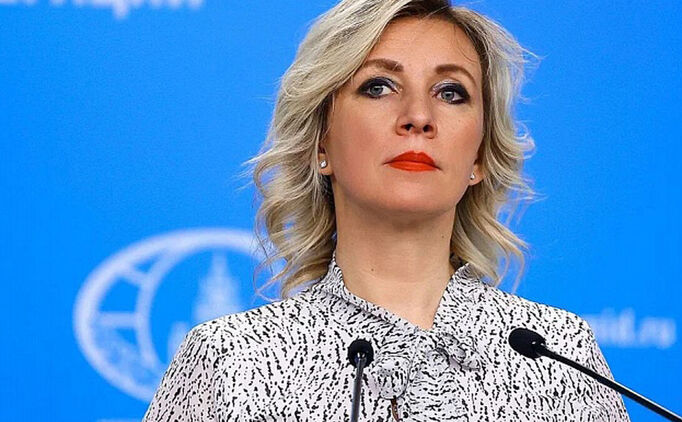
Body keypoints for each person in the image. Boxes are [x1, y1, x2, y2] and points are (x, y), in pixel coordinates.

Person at [143, 0, 630, 420]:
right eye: (379, 86)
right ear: (320, 142)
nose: (418, 116)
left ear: (480, 157)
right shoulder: (231, 362)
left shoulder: (560, 355)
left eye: (451, 92)